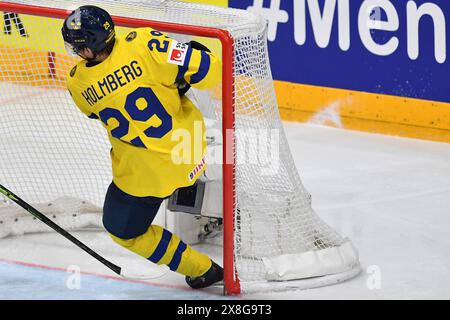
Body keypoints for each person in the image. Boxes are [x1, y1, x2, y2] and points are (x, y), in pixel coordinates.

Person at [61, 5, 223, 289]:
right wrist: (177, 78)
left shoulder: (78, 84)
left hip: (145, 178)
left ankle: (201, 268)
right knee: (184, 67)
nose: (75, 52)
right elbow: (211, 71)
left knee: (124, 230)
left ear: (88, 49)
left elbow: (95, 109)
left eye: (78, 47)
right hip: (192, 151)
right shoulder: (146, 42)